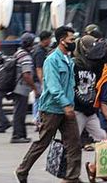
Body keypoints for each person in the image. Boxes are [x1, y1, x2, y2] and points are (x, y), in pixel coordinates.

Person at [15, 26, 82, 183]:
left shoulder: (69, 60)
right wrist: (65, 105)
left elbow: (70, 86)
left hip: (67, 108)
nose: (74, 42)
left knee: (74, 143)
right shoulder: (52, 60)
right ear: (62, 41)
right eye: (71, 39)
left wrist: (69, 105)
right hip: (52, 108)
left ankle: (72, 177)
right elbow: (53, 86)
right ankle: (22, 170)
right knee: (43, 142)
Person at [73, 35, 106, 143]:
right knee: (73, 140)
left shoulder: (94, 64)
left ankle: (99, 160)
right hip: (78, 109)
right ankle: (65, 160)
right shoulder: (74, 64)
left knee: (102, 137)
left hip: (91, 109)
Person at [11, 33, 39, 143]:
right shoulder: (26, 56)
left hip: (16, 87)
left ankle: (22, 134)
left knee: (19, 112)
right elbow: (26, 75)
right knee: (20, 113)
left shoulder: (18, 53)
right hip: (21, 88)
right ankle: (17, 136)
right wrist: (34, 88)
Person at [32, 30, 52, 128]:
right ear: (45, 40)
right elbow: (39, 68)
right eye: (49, 39)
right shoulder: (40, 52)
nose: (50, 41)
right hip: (38, 80)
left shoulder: (40, 49)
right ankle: (37, 120)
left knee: (38, 100)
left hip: (37, 80)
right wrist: (43, 82)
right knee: (40, 100)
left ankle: (37, 120)